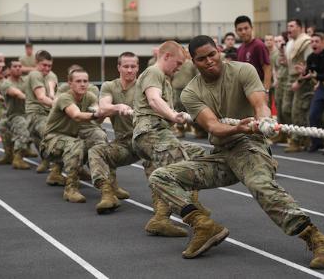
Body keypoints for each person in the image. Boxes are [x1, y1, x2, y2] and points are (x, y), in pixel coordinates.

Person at [148, 35, 324, 268]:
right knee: (161, 177)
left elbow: (259, 103)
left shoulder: (243, 70)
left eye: (212, 55)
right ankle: (203, 226)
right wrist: (236, 127)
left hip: (250, 146)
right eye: (202, 59)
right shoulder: (190, 92)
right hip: (223, 153)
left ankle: (317, 239)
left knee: (260, 186)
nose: (209, 61)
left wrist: (264, 119)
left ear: (219, 51)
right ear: (193, 62)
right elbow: (213, 126)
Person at [132, 40, 207, 237]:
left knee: (196, 153)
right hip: (151, 132)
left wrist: (176, 115)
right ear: (166, 57)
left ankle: (165, 215)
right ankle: (192, 217)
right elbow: (154, 99)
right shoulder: (153, 72)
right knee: (181, 168)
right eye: (178, 63)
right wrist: (174, 116)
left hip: (157, 133)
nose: (179, 68)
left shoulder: (164, 79)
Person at [88, 52, 147, 213]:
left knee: (160, 169)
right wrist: (118, 107)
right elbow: (104, 107)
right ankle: (108, 193)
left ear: (138, 68)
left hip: (146, 140)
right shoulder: (110, 86)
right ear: (119, 67)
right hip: (124, 143)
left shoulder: (144, 86)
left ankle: (165, 208)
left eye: (133, 66)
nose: (129, 70)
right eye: (126, 66)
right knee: (97, 152)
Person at [40, 68, 102, 205]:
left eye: (85, 81)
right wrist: (96, 114)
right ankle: (70, 189)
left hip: (69, 141)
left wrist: (101, 112)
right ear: (70, 83)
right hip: (50, 142)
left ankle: (107, 184)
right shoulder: (64, 98)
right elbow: (76, 115)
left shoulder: (89, 96)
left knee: (98, 140)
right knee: (75, 144)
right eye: (78, 81)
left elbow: (96, 110)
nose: (82, 84)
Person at [24, 50, 61, 179]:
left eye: (49, 66)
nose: (46, 68)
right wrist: (61, 107)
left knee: (61, 135)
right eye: (44, 65)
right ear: (36, 63)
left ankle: (55, 166)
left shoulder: (52, 75)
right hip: (36, 113)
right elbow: (41, 97)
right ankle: (54, 167)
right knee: (49, 136)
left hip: (49, 113)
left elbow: (54, 95)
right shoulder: (34, 74)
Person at [284, 19, 313, 153]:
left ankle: (298, 140)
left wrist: (300, 81)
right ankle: (299, 136)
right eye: (288, 26)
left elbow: (309, 64)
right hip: (291, 77)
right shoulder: (290, 43)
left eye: (292, 26)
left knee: (298, 110)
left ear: (300, 27)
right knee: (286, 109)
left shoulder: (306, 41)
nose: (288, 28)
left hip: (302, 79)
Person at [0, 60, 32, 170]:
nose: (18, 68)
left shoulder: (26, 80)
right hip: (14, 115)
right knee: (20, 125)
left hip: (28, 113)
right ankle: (17, 158)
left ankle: (46, 159)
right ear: (9, 69)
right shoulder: (6, 83)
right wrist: (30, 99)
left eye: (19, 66)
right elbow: (16, 93)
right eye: (15, 66)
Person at [234, 16, 272, 93]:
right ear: (236, 32)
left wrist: (266, 91)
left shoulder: (259, 45)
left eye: (246, 28)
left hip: (258, 88)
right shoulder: (240, 49)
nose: (243, 32)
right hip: (245, 89)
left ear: (251, 28)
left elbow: (267, 69)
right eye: (240, 30)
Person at [171, 48, 198, 138]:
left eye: (186, 52)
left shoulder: (191, 64)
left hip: (189, 90)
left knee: (191, 110)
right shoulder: (175, 64)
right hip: (176, 89)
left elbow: (196, 76)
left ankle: (198, 129)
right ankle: (180, 129)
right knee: (178, 110)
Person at [272, 33, 290, 143]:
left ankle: (290, 133)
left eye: (280, 41)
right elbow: (275, 68)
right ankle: (281, 134)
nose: (279, 44)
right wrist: (275, 80)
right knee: (279, 108)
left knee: (286, 108)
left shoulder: (288, 51)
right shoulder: (275, 55)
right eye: (277, 41)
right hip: (279, 83)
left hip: (287, 81)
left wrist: (284, 52)